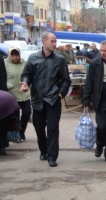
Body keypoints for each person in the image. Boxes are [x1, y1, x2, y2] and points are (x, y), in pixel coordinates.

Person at [20, 31, 71, 167]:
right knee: (39, 128)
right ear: (44, 42)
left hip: (53, 99)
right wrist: (25, 83)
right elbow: (26, 75)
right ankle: (43, 150)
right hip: (37, 99)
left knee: (53, 128)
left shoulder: (59, 60)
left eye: (55, 41)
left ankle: (52, 156)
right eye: (52, 41)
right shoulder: (33, 58)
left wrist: (61, 93)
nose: (55, 44)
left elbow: (66, 80)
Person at [5, 47, 31, 141]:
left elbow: (29, 75)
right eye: (13, 55)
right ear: (10, 55)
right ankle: (15, 134)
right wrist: (8, 85)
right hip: (12, 94)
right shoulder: (5, 64)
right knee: (14, 116)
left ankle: (21, 131)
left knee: (27, 113)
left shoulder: (24, 63)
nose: (15, 57)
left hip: (24, 92)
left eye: (17, 55)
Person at [0, 90, 20, 155]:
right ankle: (3, 147)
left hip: (6, 106)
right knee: (3, 128)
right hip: (12, 105)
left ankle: (2, 148)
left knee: (2, 127)